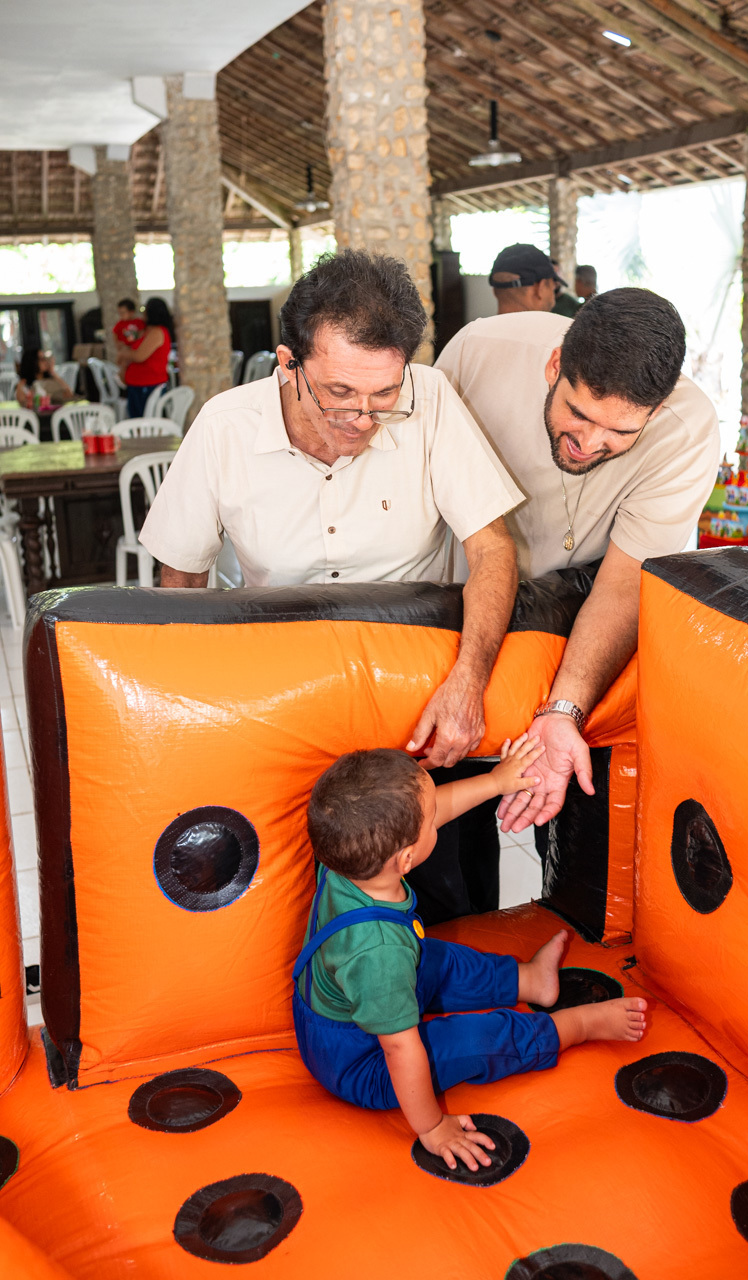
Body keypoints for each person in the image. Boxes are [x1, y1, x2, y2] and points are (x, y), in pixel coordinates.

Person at [140, 250, 523, 924]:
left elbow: (491, 548)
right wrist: (193, 719)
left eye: (384, 398)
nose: (363, 420)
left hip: (418, 695)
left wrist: (467, 681)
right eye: (339, 395)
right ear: (287, 363)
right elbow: (181, 577)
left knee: (447, 897)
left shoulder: (429, 398)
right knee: (293, 896)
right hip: (287, 693)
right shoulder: (225, 427)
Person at [436, 289, 719, 844]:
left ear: (656, 411)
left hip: (576, 617)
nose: (590, 443)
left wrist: (562, 711)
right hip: (458, 603)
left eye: (620, 432)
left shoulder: (686, 432)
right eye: (579, 414)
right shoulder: (477, 353)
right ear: (554, 365)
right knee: (443, 830)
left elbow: (621, 590)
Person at [293, 740, 647, 1171]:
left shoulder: (346, 853)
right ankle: (575, 1027)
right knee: (468, 1040)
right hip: (359, 1063)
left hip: (349, 1002)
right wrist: (432, 1127)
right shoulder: (379, 952)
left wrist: (496, 781)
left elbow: (430, 808)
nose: (437, 817)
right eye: (431, 823)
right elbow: (401, 1051)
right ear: (406, 858)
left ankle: (530, 981)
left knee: (439, 960)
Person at [115, 296, 173, 418]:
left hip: (148, 385)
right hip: (138, 385)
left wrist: (124, 354)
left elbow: (139, 356)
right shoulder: (147, 331)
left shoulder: (157, 332)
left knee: (144, 421)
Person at [489, 244, 566, 316]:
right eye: (553, 289)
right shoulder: (559, 329)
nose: (553, 299)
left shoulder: (478, 328)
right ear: (540, 289)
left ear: (494, 291)